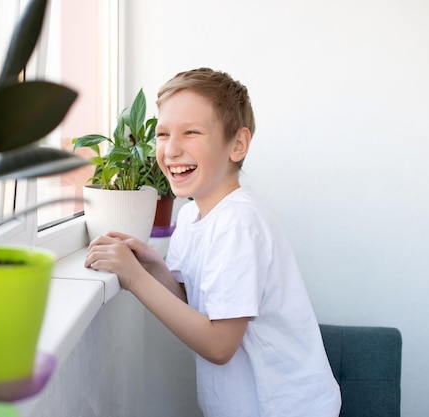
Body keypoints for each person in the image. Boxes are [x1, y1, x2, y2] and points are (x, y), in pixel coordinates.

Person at [85, 68, 341, 417]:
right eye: (162, 133)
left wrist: (135, 278)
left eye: (191, 132)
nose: (171, 149)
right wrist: (154, 268)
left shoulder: (239, 223)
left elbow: (220, 344)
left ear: (237, 144)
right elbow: (201, 305)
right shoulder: (191, 218)